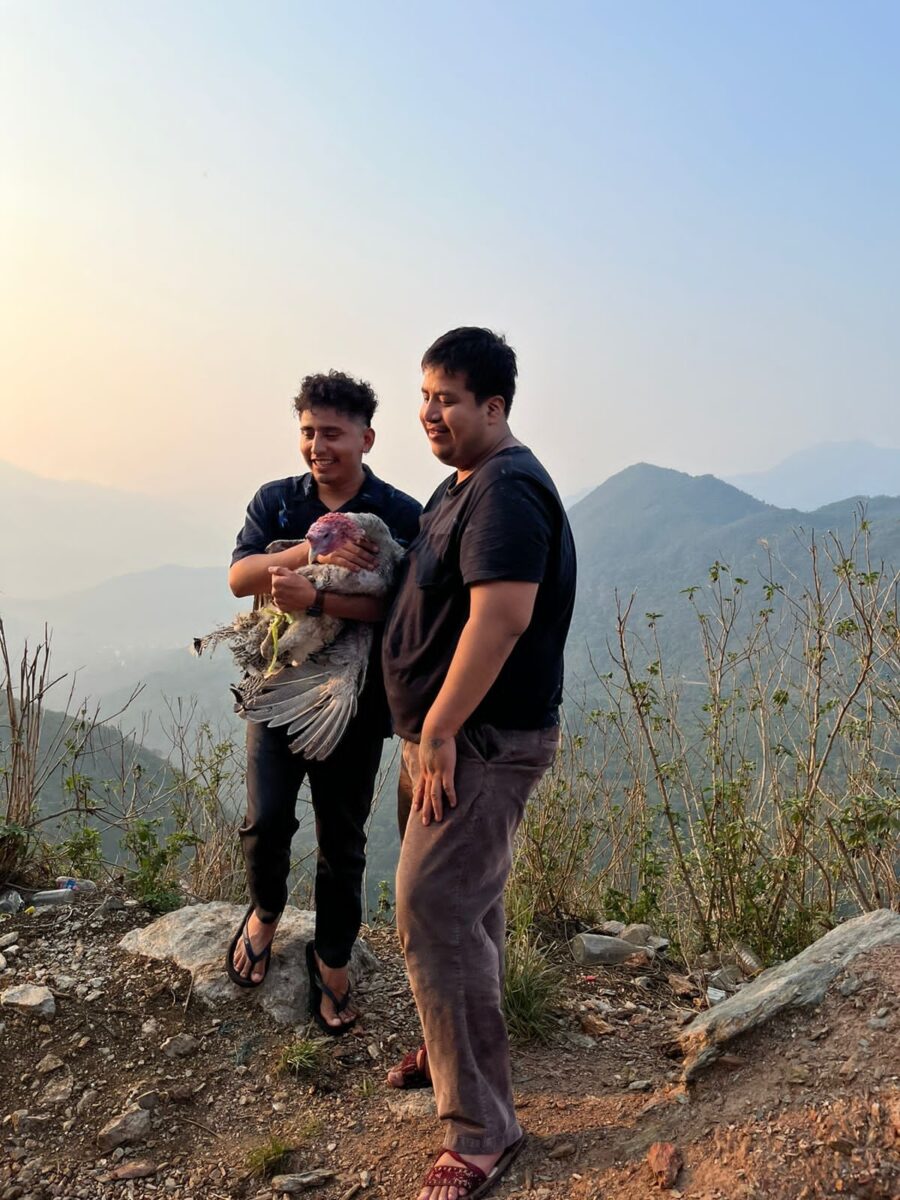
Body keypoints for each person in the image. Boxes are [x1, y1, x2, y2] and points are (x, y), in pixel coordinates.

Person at [382, 328, 576, 1198]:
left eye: (449, 398)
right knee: (468, 908)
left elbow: (499, 620)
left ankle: (480, 1133)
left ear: (493, 408)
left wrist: (441, 729)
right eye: (425, 394)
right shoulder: (459, 485)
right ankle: (449, 1040)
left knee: (432, 907)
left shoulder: (506, 492)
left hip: (480, 742)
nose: (430, 411)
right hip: (450, 736)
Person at [226, 370, 421, 1034]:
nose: (318, 445)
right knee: (266, 819)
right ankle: (265, 911)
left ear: (366, 437)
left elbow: (404, 604)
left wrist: (320, 599)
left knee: (344, 840)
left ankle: (333, 957)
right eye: (309, 431)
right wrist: (312, 548)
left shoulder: (399, 512)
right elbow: (238, 578)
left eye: (333, 433)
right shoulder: (278, 502)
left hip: (353, 705)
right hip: (279, 690)